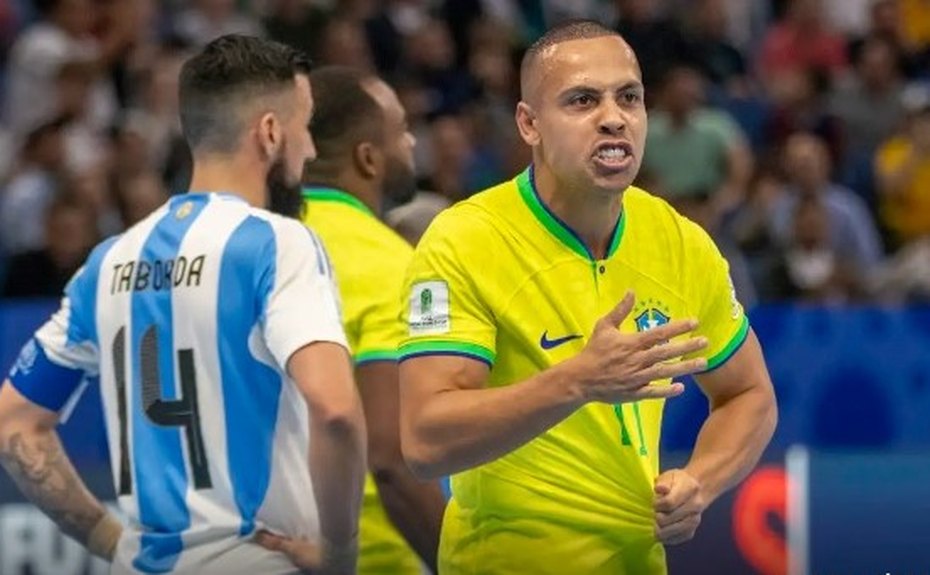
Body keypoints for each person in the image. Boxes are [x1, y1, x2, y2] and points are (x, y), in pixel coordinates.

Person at [398, 20, 778, 574]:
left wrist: (700, 479)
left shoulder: (680, 241)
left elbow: (749, 394)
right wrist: (577, 380)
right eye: (581, 100)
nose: (613, 117)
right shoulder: (466, 240)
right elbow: (425, 442)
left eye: (629, 97)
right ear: (529, 124)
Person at [0, 35, 366, 575]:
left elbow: (14, 423)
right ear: (269, 132)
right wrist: (340, 552)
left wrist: (106, 540)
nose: (309, 149)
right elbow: (335, 410)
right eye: (304, 126)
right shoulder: (277, 242)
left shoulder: (107, 262)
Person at [262, 65, 446, 575]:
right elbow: (391, 462)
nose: (411, 142)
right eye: (401, 130)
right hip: (371, 553)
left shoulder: (252, 245)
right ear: (368, 157)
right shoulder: (393, 264)